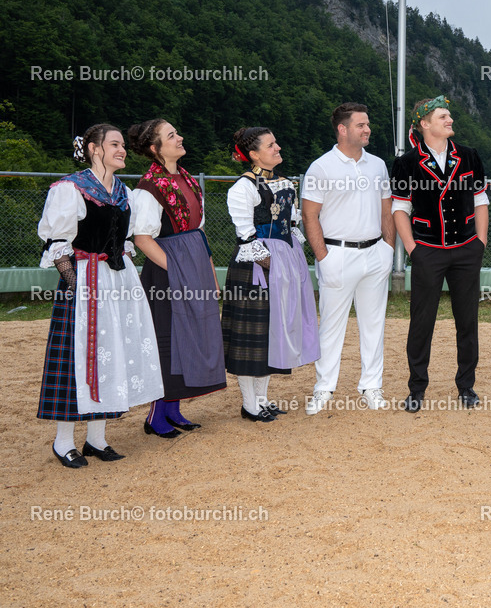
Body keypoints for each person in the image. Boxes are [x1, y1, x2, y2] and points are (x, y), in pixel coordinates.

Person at [38, 125, 163, 467]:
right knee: (76, 361)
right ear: (94, 149)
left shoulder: (124, 193)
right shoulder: (72, 188)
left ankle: (96, 439)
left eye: (123, 144)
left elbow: (122, 243)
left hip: (117, 282)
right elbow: (56, 245)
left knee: (111, 355)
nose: (122, 149)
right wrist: (75, 283)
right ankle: (64, 441)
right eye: (114, 144)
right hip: (84, 282)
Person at [391, 95, 489, 413]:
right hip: (427, 250)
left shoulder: (469, 156)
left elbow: (481, 201)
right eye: (443, 116)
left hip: (465, 250)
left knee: (467, 320)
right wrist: (412, 249)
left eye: (449, 116)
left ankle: (466, 386)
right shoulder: (406, 163)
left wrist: (480, 242)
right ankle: (417, 388)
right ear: (424, 124)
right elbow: (400, 209)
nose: (450, 120)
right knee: (422, 321)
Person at [129, 119, 226, 438]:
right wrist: (179, 269)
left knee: (191, 336)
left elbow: (199, 233)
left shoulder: (187, 179)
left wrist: (209, 275)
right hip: (168, 272)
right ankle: (156, 416)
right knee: (167, 339)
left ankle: (174, 410)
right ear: (155, 149)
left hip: (193, 263)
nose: (180, 137)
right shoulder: (148, 187)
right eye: (171, 136)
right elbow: (142, 238)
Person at [301, 103, 395, 415]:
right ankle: (323, 388)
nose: (367, 130)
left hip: (374, 253)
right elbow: (309, 216)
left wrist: (388, 250)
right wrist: (324, 257)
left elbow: (386, 211)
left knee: (374, 325)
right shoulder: (321, 167)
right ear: (342, 129)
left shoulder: (378, 165)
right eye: (360, 125)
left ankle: (372, 386)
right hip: (336, 254)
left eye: (367, 124)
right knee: (330, 326)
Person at [223, 127, 319, 421]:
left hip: (284, 262)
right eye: (271, 144)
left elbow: (291, 227)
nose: (277, 148)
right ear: (253, 154)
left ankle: (263, 399)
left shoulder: (285, 183)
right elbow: (246, 238)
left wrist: (291, 266)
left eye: (276, 142)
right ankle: (249, 404)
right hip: (256, 268)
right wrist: (276, 268)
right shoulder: (243, 187)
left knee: (271, 333)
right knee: (251, 337)